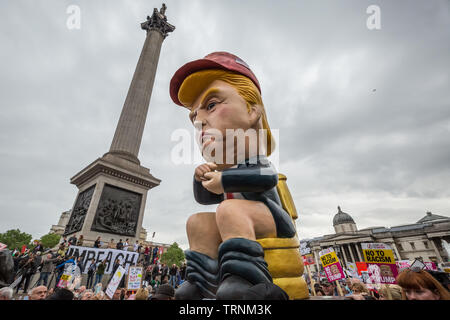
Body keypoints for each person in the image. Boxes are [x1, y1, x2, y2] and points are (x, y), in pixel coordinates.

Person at [170, 52, 298, 300]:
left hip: (273, 219)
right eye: (194, 116)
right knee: (197, 221)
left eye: (211, 105)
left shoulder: (255, 160)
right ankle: (201, 282)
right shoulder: (223, 168)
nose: (199, 122)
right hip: (238, 221)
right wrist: (202, 180)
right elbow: (206, 199)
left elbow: (266, 179)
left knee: (230, 210)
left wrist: (223, 181)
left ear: (252, 110)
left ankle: (246, 278)